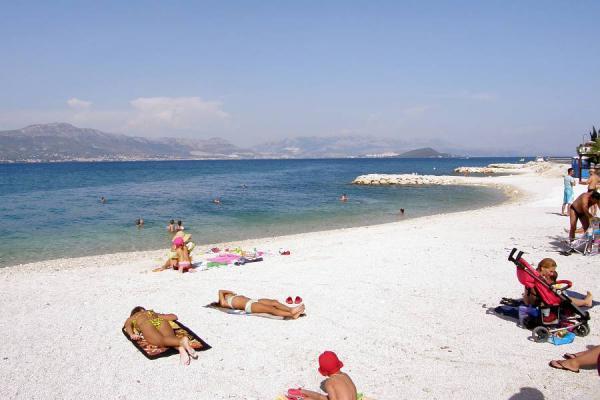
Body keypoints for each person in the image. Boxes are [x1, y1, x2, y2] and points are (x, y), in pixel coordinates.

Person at [123, 306, 198, 365]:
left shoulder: (134, 316)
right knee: (170, 338)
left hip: (145, 323)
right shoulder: (151, 312)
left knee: (160, 341)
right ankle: (181, 349)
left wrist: (131, 334)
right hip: (159, 321)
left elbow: (127, 325)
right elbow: (174, 317)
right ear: (143, 310)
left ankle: (182, 341)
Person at [522, 258, 593, 308]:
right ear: (543, 268)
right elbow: (549, 294)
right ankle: (586, 302)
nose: (552, 273)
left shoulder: (532, 275)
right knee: (565, 298)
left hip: (530, 301)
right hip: (544, 302)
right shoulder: (540, 279)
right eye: (551, 271)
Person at [217, 289, 305, 319]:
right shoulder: (224, 303)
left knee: (274, 302)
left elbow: (223, 292)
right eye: (226, 295)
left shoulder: (231, 297)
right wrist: (231, 292)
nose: (227, 294)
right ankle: (291, 314)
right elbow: (220, 291)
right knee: (271, 309)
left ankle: (291, 309)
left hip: (254, 300)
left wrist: (231, 293)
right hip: (249, 306)